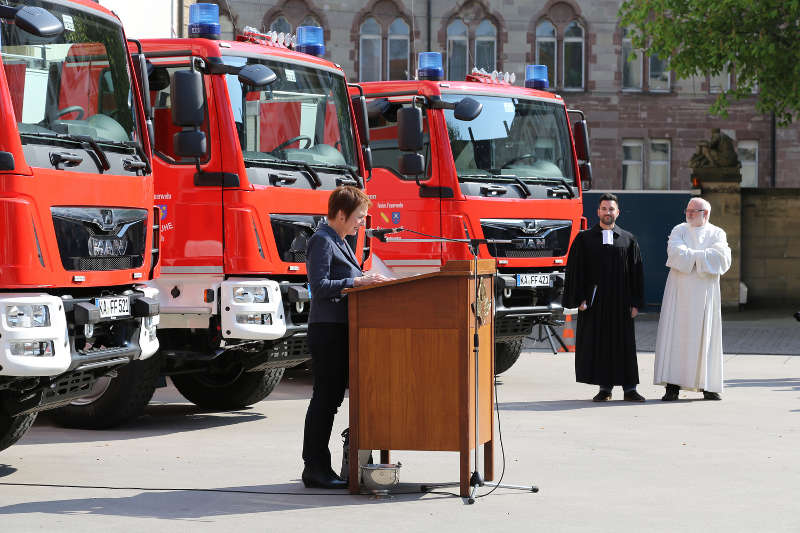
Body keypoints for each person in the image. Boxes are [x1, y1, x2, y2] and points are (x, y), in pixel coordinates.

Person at [301, 186, 389, 489]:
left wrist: (365, 280)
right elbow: (319, 285)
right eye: (358, 217)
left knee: (330, 399)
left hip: (341, 329)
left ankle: (319, 467)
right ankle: (314, 468)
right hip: (327, 331)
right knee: (325, 400)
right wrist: (356, 280)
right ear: (340, 214)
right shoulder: (321, 240)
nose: (360, 224)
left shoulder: (339, 240)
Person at [563, 193, 646, 402]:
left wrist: (636, 302)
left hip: (621, 302)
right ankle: (605, 388)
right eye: (604, 209)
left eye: (611, 209)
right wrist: (579, 299)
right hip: (595, 302)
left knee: (624, 344)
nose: (607, 212)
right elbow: (576, 270)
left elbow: (636, 272)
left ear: (617, 212)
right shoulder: (584, 239)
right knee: (600, 344)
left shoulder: (628, 239)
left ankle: (630, 389)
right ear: (598, 211)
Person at [653, 198, 731, 401]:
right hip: (679, 292)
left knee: (706, 336)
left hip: (705, 293)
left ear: (705, 213)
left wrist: (692, 257)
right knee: (675, 337)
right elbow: (675, 253)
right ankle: (672, 386)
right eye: (687, 210)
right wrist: (703, 258)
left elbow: (721, 258)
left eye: (693, 211)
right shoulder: (679, 229)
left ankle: (708, 386)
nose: (688, 214)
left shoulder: (717, 233)